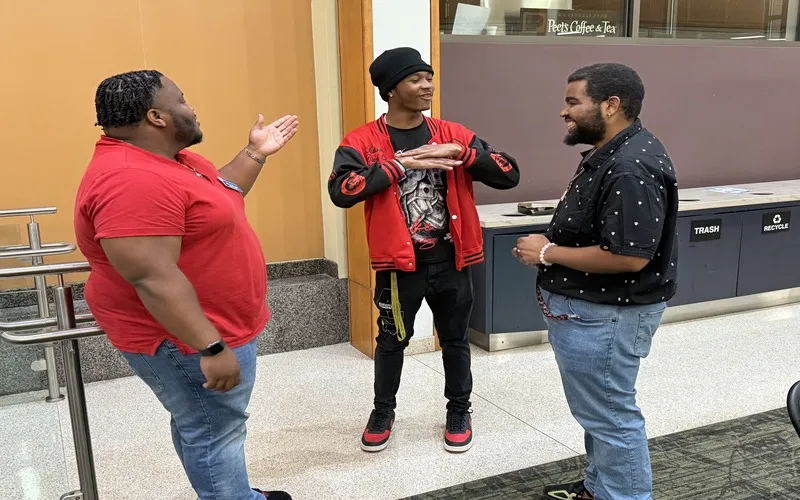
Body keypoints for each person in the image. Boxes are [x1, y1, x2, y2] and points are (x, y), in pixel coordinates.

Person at [74, 70, 298, 500]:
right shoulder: (130, 180)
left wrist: (255, 152)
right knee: (215, 431)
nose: (191, 108)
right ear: (156, 116)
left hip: (211, 327)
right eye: (183, 99)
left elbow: (223, 193)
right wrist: (209, 347)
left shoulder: (174, 161)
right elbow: (152, 278)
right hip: (184, 338)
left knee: (202, 421)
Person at [329, 47, 520, 453]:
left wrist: (464, 154)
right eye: (416, 79)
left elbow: (509, 173)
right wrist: (399, 166)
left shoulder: (452, 133)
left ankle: (459, 409)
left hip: (452, 259)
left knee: (455, 340)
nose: (427, 85)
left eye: (429, 77)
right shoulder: (361, 140)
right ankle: (383, 411)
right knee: (390, 341)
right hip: (398, 266)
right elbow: (342, 191)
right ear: (391, 89)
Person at [513, 63, 678, 500]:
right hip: (591, 315)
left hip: (606, 318)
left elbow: (628, 257)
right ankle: (600, 487)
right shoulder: (613, 153)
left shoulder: (630, 166)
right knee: (598, 412)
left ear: (611, 105)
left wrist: (546, 252)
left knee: (610, 416)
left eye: (572, 102)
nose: (563, 112)